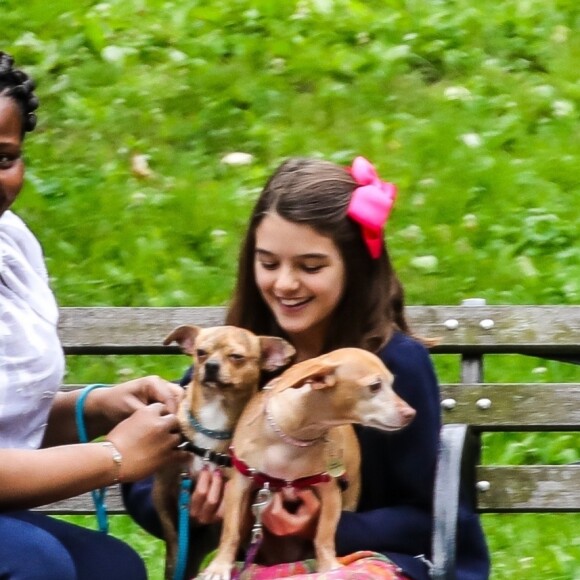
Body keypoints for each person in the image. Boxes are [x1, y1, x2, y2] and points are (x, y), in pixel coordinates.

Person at [124, 157, 490, 579]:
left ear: (353, 268)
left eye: (310, 267)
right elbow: (145, 477)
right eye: (268, 263)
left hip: (372, 563)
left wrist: (327, 524)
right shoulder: (240, 357)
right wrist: (190, 507)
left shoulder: (391, 366)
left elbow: (434, 517)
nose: (284, 284)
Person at [0, 51, 190, 580]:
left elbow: (10, 423)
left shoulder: (11, 247)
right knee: (41, 566)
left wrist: (99, 406)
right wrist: (113, 456)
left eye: (3, 159)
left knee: (113, 567)